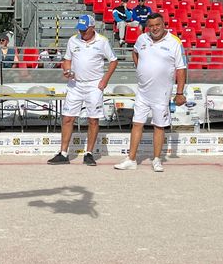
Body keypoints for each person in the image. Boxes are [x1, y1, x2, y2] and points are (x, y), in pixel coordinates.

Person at [115, 13, 187, 172]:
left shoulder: (175, 42)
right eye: (151, 25)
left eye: (157, 25)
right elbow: (135, 52)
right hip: (142, 91)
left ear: (164, 24)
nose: (154, 28)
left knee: (159, 126)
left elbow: (181, 69)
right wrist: (141, 68)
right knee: (137, 124)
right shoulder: (142, 39)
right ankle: (131, 159)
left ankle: (156, 160)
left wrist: (180, 92)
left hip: (162, 94)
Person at [48, 15, 118, 166]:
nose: (82, 32)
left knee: (93, 119)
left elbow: (113, 60)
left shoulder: (102, 41)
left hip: (94, 84)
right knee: (67, 118)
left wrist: (105, 80)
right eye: (80, 29)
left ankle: (89, 153)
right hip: (75, 84)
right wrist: (67, 70)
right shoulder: (73, 40)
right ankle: (63, 153)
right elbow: (67, 59)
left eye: (85, 30)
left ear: (92, 27)